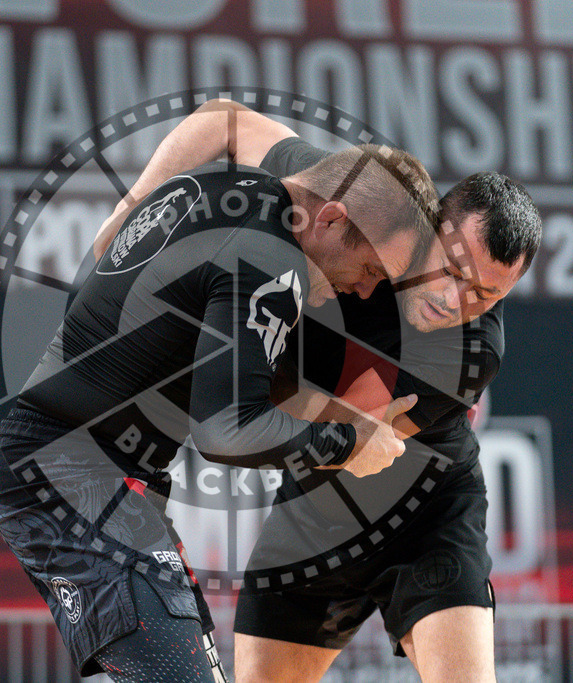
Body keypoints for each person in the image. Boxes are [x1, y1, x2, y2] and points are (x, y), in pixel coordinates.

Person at [94, 99, 542, 682]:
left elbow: (346, 432)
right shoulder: (354, 210)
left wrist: (244, 345)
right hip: (312, 513)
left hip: (425, 517)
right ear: (427, 224)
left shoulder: (473, 349)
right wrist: (126, 217)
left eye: (487, 294)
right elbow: (222, 120)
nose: (456, 302)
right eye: (454, 270)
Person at [0, 143, 440, 681]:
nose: (363, 290)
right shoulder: (274, 262)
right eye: (369, 268)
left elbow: (219, 112)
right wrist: (347, 447)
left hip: (82, 472)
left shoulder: (226, 185)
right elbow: (227, 431)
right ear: (332, 217)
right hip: (71, 472)